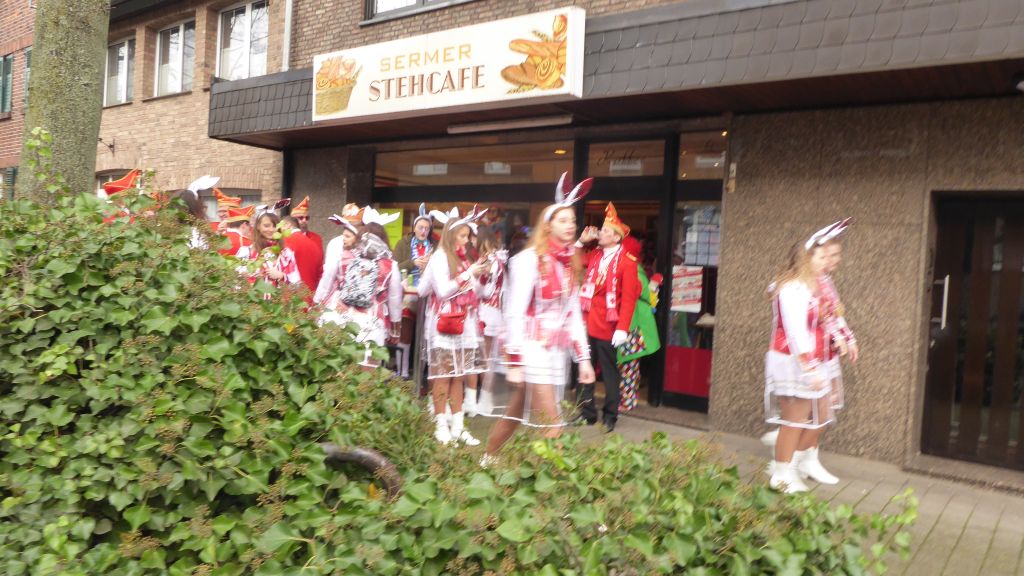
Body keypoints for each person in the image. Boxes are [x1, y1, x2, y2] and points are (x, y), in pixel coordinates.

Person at [481, 174, 596, 463]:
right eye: (563, 220)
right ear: (547, 226)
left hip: (555, 351)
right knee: (553, 424)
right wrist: (515, 361)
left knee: (516, 411)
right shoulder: (528, 260)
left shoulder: (569, 264)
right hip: (531, 350)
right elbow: (514, 313)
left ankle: (488, 457)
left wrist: (584, 359)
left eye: (573, 221)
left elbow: (573, 315)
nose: (570, 226)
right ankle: (558, 481)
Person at [761, 219, 855, 487]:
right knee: (796, 419)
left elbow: (830, 316)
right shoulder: (793, 288)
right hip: (792, 360)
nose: (829, 261)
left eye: (830, 256)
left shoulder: (817, 285)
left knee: (820, 414)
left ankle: (797, 464)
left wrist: (845, 338)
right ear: (806, 257)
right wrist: (809, 367)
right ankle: (782, 473)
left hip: (812, 359)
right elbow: (795, 332)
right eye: (822, 256)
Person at [418, 206, 489, 446]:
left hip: (464, 322)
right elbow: (443, 291)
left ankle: (458, 427)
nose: (467, 240)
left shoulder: (462, 258)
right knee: (443, 375)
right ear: (451, 235)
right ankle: (440, 425)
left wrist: (480, 275)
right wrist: (469, 273)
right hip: (444, 323)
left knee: (458, 376)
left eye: (468, 236)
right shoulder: (440, 257)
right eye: (463, 236)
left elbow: (477, 293)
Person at [576, 202, 641, 432]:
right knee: (584, 367)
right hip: (587, 321)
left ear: (615, 237)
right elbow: (573, 263)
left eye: (604, 230)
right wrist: (580, 242)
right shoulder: (594, 255)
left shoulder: (627, 262)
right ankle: (586, 413)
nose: (599, 233)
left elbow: (629, 299)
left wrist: (622, 328)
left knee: (609, 372)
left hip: (607, 326)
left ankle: (611, 415)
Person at [615, 236, 661, 413]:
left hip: (633, 325)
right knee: (631, 365)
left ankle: (627, 401)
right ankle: (630, 398)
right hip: (635, 324)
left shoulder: (632, 271)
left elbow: (634, 295)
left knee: (628, 364)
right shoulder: (637, 269)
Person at [475, 226, 507, 417]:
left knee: (484, 359)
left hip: (487, 312)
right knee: (487, 359)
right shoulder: (498, 259)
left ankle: (485, 400)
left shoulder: (489, 261)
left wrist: (478, 281)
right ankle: (486, 399)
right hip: (494, 312)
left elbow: (484, 292)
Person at [236, 211, 301, 293]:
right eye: (266, 226)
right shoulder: (246, 252)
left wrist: (281, 276)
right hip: (253, 299)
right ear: (258, 226)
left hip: (278, 300)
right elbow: (235, 283)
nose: (271, 230)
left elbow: (297, 287)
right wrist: (249, 276)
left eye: (274, 226)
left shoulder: (285, 254)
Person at [313, 204, 363, 306]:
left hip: (343, 299)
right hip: (362, 299)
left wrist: (318, 300)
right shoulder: (337, 243)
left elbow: (329, 274)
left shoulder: (336, 243)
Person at [280, 215, 325, 295]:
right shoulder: (314, 244)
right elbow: (320, 272)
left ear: (288, 225)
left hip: (292, 296)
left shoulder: (286, 242)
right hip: (311, 294)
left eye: (280, 227)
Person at [393, 203, 434, 286]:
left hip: (427, 288)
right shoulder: (402, 243)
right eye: (420, 228)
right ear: (414, 228)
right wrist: (413, 263)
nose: (423, 231)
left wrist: (430, 264)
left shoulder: (434, 246)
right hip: (406, 288)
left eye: (427, 229)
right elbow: (394, 269)